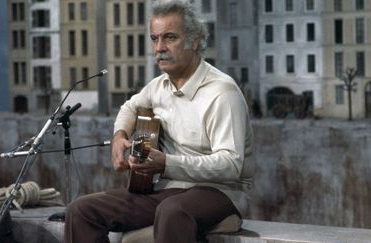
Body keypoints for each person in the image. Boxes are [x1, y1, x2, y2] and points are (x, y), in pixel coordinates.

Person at [64, 1, 254, 242]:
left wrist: (166, 164)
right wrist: (119, 136)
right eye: (154, 39)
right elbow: (129, 107)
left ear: (194, 41)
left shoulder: (222, 92)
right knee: (81, 210)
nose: (159, 48)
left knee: (172, 211)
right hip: (167, 190)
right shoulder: (159, 86)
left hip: (220, 192)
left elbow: (230, 164)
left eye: (170, 38)